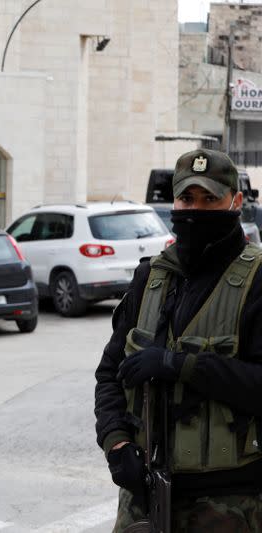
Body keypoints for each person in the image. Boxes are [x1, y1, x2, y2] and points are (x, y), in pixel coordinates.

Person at [94, 148, 262, 531]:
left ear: (236, 201)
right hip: (145, 500)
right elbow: (109, 375)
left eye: (210, 199)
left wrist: (181, 366)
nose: (196, 210)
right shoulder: (150, 279)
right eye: (187, 198)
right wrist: (117, 444)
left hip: (233, 505)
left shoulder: (257, 282)